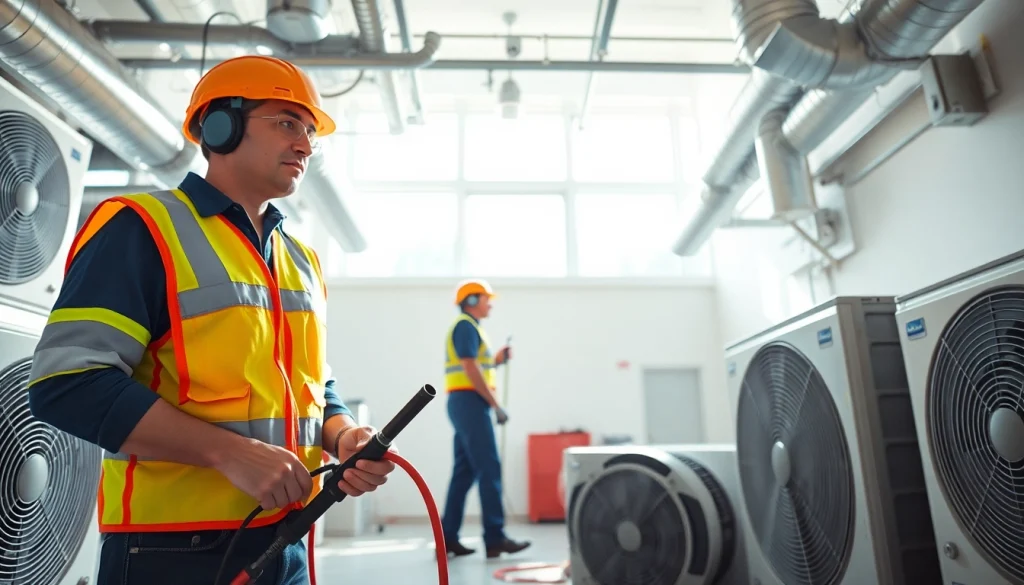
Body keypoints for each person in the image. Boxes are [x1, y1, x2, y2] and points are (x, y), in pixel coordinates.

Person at [26, 55, 396, 585]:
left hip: (287, 539)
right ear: (221, 126)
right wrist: (229, 454)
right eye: (288, 123)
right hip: (173, 552)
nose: (305, 146)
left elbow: (311, 384)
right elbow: (67, 383)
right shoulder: (142, 228)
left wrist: (343, 436)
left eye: (311, 132)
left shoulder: (301, 260)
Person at [440, 279, 531, 559]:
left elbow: (477, 365)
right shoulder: (466, 326)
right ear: (471, 301)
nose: (490, 304)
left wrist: (497, 360)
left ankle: (447, 538)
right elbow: (469, 368)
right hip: (470, 404)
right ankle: (495, 538)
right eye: (486, 298)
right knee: (489, 468)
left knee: (464, 472)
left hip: (464, 403)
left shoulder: (472, 328)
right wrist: (496, 405)